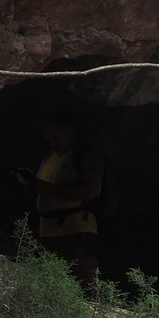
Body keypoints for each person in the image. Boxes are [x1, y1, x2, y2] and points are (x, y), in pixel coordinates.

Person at [15, 116, 103, 288]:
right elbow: (38, 197)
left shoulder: (84, 155)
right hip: (48, 230)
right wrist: (30, 185)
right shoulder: (48, 159)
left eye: (56, 138)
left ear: (70, 132)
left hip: (76, 227)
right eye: (49, 140)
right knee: (53, 279)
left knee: (84, 275)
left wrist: (49, 189)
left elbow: (92, 191)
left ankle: (93, 302)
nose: (53, 144)